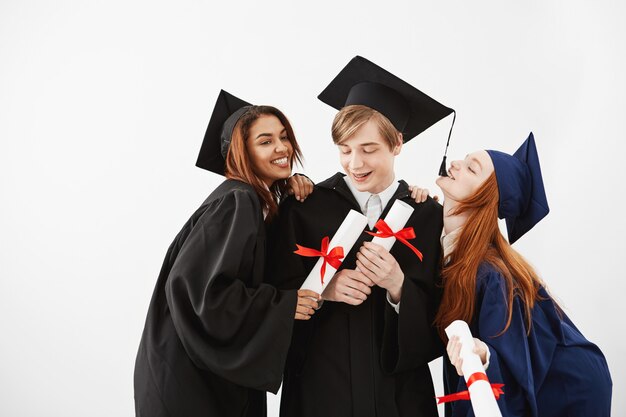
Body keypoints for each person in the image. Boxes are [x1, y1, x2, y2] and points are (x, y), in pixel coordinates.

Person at [266, 56, 454, 417]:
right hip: (321, 388)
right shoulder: (304, 207)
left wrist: (398, 286)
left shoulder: (427, 214)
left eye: (369, 150)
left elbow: (444, 310)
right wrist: (324, 288)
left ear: (397, 144)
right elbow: (270, 292)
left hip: (399, 397)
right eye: (345, 150)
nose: (355, 164)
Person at [133, 90, 321, 417]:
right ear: (242, 152)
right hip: (190, 381)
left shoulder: (253, 202)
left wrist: (287, 191)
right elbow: (202, 294)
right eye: (265, 141)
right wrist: (284, 304)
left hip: (191, 372)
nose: (281, 147)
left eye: (284, 137)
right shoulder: (238, 201)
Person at [435, 133, 612, 417]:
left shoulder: (491, 274)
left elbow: (508, 359)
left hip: (568, 387)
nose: (454, 164)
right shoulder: (452, 250)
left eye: (471, 168)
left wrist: (484, 354)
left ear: (487, 197)